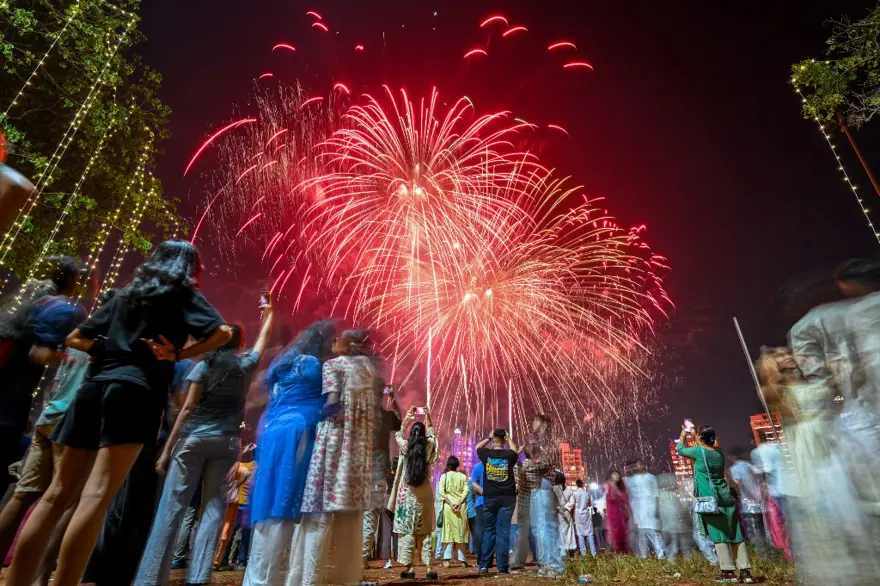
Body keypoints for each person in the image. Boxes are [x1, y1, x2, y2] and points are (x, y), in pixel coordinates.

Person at [5, 239, 232, 586]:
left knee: (55, 495)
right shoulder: (181, 294)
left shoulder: (123, 294)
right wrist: (179, 355)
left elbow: (75, 338)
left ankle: (17, 580)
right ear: (190, 268)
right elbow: (222, 332)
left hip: (92, 391)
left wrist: (104, 348)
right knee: (96, 497)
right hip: (136, 393)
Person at [135, 293, 273, 586]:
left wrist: (166, 450)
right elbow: (263, 342)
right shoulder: (243, 365)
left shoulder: (203, 366)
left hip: (193, 439)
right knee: (213, 511)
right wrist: (269, 313)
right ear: (239, 345)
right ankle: (197, 578)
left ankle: (148, 578)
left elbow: (186, 410)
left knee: (172, 507)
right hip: (226, 443)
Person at [0, 287, 112, 581]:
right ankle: (40, 576)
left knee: (23, 496)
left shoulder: (76, 335)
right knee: (66, 500)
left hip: (48, 419)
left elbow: (53, 373)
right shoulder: (110, 344)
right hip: (73, 424)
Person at [757, 347, 870, 586]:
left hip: (836, 446)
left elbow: (846, 386)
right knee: (824, 519)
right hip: (808, 452)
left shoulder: (816, 380)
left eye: (788, 352)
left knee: (853, 514)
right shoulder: (779, 391)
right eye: (780, 355)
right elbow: (767, 391)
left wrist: (836, 367)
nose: (787, 356)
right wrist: (770, 365)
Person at [242, 320, 336, 586]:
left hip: (270, 434)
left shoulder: (281, 367)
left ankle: (255, 577)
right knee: (284, 500)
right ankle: (266, 580)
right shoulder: (313, 366)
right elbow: (331, 403)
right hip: (296, 433)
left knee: (268, 498)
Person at [293, 329, 379, 586]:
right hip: (359, 448)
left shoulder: (332, 366)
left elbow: (332, 403)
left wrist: (310, 412)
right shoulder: (368, 369)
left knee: (320, 509)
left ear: (343, 344)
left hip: (335, 443)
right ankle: (346, 576)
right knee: (351, 517)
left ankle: (310, 578)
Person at [0, 256, 90, 495]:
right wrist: (65, 356)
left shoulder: (26, 301)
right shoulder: (65, 309)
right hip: (9, 403)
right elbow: (38, 353)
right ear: (72, 279)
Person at [677, 424, 753, 584]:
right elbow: (706, 446)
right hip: (725, 496)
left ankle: (728, 572)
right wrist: (699, 436)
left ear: (700, 438)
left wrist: (684, 435)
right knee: (735, 533)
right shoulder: (718, 452)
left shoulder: (699, 452)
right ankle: (745, 572)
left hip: (711, 500)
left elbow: (680, 450)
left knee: (719, 535)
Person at [388, 410, 439, 580]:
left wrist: (407, 419)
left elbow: (398, 434)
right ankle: (429, 568)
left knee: (406, 532)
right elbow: (433, 436)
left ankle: (409, 569)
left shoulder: (405, 447)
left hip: (406, 496)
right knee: (424, 532)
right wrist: (429, 419)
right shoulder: (428, 447)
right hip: (424, 496)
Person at [363, 380, 401, 567]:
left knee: (354, 519)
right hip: (376, 474)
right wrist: (392, 398)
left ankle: (354, 560)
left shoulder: (359, 414)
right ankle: (360, 562)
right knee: (370, 518)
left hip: (356, 472)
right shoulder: (383, 416)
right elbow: (399, 421)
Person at [475, 429, 519, 576]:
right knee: (503, 532)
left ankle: (484, 566)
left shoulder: (486, 454)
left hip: (490, 497)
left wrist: (488, 436)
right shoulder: (509, 455)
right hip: (507, 498)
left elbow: (477, 448)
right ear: (504, 440)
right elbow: (515, 450)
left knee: (489, 530)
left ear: (494, 440)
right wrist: (509, 438)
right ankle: (502, 568)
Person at [215, 444, 255, 569]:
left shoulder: (237, 465)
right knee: (245, 534)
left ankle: (223, 559)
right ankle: (241, 561)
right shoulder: (256, 467)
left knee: (229, 532)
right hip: (246, 505)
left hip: (235, 503)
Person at [511, 443, 548, 571]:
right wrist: (541, 450)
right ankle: (542, 561)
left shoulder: (519, 466)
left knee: (522, 533)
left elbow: (511, 461)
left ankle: (518, 562)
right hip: (537, 503)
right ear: (536, 454)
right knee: (539, 533)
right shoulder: (538, 467)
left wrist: (517, 452)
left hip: (523, 503)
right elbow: (547, 463)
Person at [728, 447, 770, 557]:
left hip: (748, 504)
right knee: (762, 528)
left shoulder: (734, 469)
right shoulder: (749, 465)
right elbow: (761, 480)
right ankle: (767, 551)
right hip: (759, 502)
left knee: (753, 530)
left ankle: (761, 554)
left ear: (733, 457)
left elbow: (739, 484)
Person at [624, 460, 665, 559]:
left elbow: (656, 494)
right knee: (641, 536)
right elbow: (629, 495)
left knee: (654, 535)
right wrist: (634, 513)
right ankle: (644, 556)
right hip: (638, 512)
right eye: (636, 465)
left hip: (650, 509)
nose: (638, 467)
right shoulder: (631, 479)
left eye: (639, 465)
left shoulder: (650, 477)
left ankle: (661, 556)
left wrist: (656, 509)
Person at [439, 455, 470, 567]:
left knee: (448, 531)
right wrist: (459, 503)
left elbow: (442, 492)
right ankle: (462, 560)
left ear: (448, 465)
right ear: (457, 465)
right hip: (460, 508)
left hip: (448, 507)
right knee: (460, 532)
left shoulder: (444, 477)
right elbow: (466, 491)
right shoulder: (463, 477)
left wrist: (451, 504)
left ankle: (446, 560)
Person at [603, 471, 630, 554]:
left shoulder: (619, 487)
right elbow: (606, 498)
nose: (617, 476)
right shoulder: (607, 485)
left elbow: (624, 498)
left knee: (622, 531)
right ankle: (616, 551)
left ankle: (622, 551)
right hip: (612, 512)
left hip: (620, 512)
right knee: (614, 531)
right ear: (610, 476)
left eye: (618, 474)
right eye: (615, 474)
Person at [552, 472, 577, 557]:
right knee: (569, 531)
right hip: (566, 512)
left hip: (557, 513)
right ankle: (570, 550)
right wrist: (565, 507)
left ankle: (561, 551)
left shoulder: (553, 489)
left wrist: (558, 507)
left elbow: (550, 501)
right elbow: (572, 502)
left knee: (558, 531)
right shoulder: (568, 489)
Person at [572, 480, 595, 557]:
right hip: (586, 515)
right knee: (590, 534)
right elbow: (590, 504)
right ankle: (593, 553)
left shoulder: (574, 493)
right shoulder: (587, 493)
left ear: (576, 485)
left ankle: (583, 553)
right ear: (582, 485)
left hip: (578, 516)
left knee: (580, 535)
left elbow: (572, 504)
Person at [469, 456, 486, 565]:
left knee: (480, 531)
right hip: (494, 502)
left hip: (480, 502)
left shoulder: (477, 467)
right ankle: (489, 559)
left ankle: (481, 560)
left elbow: (473, 485)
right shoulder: (495, 465)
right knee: (492, 531)